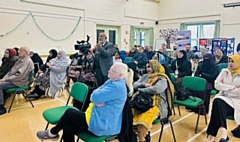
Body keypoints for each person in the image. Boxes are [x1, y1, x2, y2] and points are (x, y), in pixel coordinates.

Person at [36, 62, 134, 142]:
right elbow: (95, 93)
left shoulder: (116, 87)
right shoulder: (112, 81)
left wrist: (96, 98)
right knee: (67, 126)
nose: (109, 71)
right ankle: (53, 133)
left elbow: (94, 96)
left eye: (112, 70)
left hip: (103, 124)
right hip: (96, 116)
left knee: (70, 113)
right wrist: (96, 98)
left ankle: (52, 133)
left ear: (120, 75)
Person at [132, 60, 174, 142]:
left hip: (156, 105)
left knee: (142, 123)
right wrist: (144, 84)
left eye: (149, 67)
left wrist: (141, 90)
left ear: (155, 67)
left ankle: (142, 139)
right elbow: (134, 84)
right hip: (142, 102)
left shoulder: (162, 78)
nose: (147, 69)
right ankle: (142, 136)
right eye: (146, 67)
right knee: (129, 116)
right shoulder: (145, 76)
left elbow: (156, 89)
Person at [206, 55, 240, 142]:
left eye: (233, 61)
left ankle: (211, 138)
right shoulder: (224, 71)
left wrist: (224, 87)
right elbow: (216, 84)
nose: (230, 63)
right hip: (223, 98)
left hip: (236, 103)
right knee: (218, 101)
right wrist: (232, 88)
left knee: (217, 108)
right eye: (229, 61)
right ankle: (223, 135)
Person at [0, 46, 34, 115]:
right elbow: (11, 71)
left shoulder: (27, 61)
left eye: (21, 51)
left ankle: (1, 107)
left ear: (26, 52)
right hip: (13, 80)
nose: (19, 52)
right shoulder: (20, 59)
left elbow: (19, 75)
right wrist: (5, 78)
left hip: (19, 82)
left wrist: (6, 79)